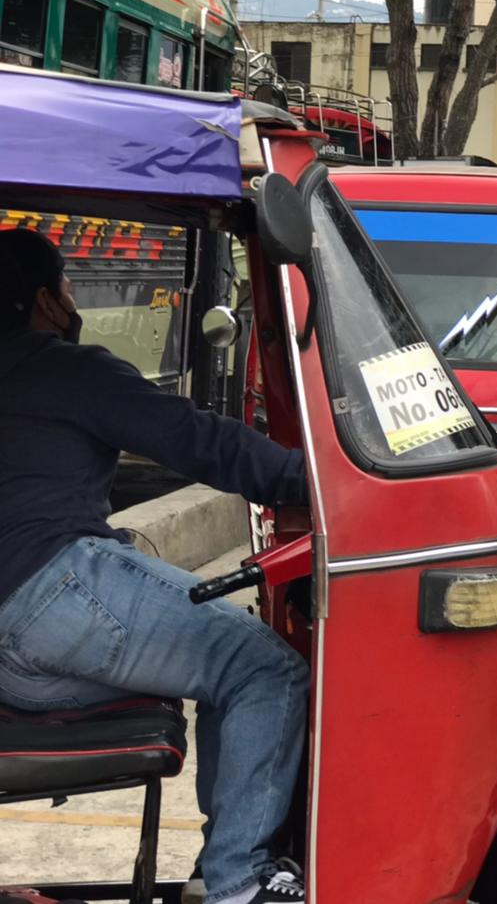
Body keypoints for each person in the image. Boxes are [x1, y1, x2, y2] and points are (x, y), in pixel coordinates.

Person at [0, 229, 309, 904]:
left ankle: (219, 867)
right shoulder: (64, 367)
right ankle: (240, 881)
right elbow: (197, 440)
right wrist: (312, 477)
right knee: (262, 669)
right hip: (53, 588)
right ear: (48, 301)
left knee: (201, 666)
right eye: (68, 285)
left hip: (15, 665)